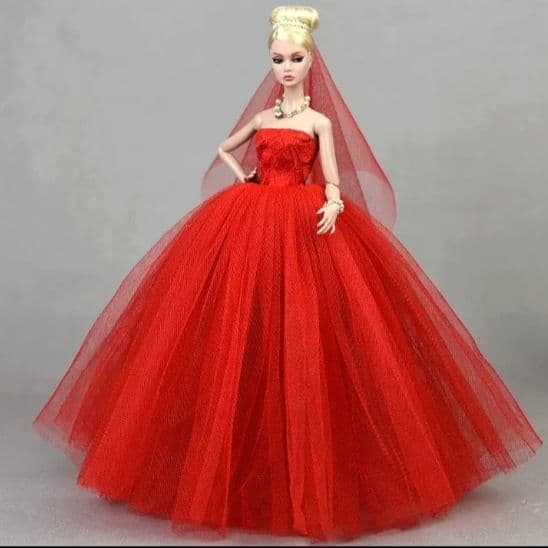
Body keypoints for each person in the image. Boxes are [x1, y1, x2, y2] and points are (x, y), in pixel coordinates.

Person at [32, 5, 542, 542]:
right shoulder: (263, 119)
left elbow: (332, 176)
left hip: (304, 219)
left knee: (310, 331)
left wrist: (334, 202)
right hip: (252, 216)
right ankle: (227, 459)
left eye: (296, 58)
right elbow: (223, 149)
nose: (286, 68)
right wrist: (244, 176)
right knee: (238, 327)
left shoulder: (318, 122)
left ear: (312, 60)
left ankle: (314, 466)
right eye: (278, 59)